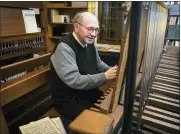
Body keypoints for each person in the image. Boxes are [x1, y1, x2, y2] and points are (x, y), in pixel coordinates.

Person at [50, 12, 118, 122]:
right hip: (70, 101)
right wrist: (105, 76)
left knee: (112, 110)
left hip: (87, 94)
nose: (94, 34)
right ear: (76, 27)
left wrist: (113, 70)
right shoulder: (64, 48)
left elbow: (98, 64)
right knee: (98, 122)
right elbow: (75, 80)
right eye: (90, 29)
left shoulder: (89, 42)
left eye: (96, 30)